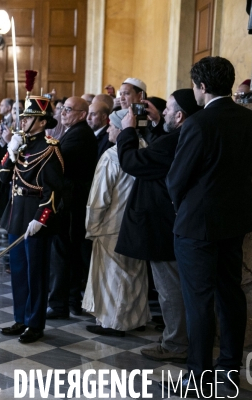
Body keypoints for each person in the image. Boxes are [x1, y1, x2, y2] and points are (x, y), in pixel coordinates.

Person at [165, 56, 252, 394]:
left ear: (202, 87)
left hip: (197, 226)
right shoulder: (250, 120)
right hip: (234, 220)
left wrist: (182, 206)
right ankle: (229, 368)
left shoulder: (198, 123)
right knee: (230, 294)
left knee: (199, 301)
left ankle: (198, 377)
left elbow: (176, 179)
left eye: (195, 85)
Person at [116, 89, 202, 363]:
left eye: (167, 110)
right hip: (170, 222)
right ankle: (177, 339)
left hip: (162, 225)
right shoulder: (181, 136)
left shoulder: (176, 140)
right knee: (172, 287)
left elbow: (134, 162)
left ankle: (176, 344)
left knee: (170, 290)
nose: (161, 111)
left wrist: (127, 132)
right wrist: (152, 124)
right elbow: (157, 149)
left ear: (179, 115)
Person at [0, 92, 64, 343]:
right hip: (16, 216)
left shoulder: (50, 150)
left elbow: (53, 191)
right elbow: (3, 177)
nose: (22, 122)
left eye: (29, 118)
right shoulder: (20, 145)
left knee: (35, 273)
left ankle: (35, 323)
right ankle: (21, 318)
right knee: (18, 271)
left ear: (42, 122)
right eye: (23, 117)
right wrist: (9, 150)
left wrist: (41, 218)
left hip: (35, 221)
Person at [82, 110, 150, 336]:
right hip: (138, 222)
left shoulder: (112, 155)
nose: (108, 129)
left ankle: (115, 322)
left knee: (114, 276)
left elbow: (99, 197)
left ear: (122, 129)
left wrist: (92, 225)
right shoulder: (145, 148)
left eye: (111, 125)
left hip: (111, 224)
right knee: (135, 273)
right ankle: (136, 317)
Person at [46, 96, 97, 319]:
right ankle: (71, 301)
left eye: (68, 109)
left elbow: (59, 165)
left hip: (71, 203)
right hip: (71, 201)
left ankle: (59, 304)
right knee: (69, 253)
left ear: (82, 114)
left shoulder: (80, 135)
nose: (63, 112)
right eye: (62, 108)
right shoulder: (73, 132)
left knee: (63, 253)